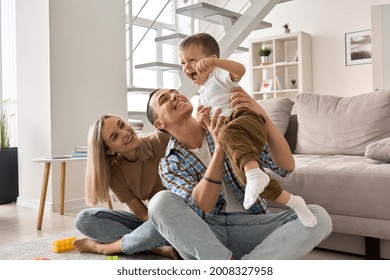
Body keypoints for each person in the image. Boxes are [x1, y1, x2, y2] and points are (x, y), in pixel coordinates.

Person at [146, 87, 332, 259]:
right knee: (159, 202)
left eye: (175, 92)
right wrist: (219, 149)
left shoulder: (227, 126)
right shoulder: (169, 163)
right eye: (164, 99)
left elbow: (285, 166)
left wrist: (263, 116)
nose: (174, 96)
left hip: (253, 226)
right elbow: (202, 207)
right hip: (208, 235)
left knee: (319, 216)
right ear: (159, 124)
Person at [178, 32, 316, 227]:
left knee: (228, 134)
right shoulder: (202, 93)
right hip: (230, 133)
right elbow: (214, 127)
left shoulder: (218, 74)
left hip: (244, 118)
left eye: (191, 60)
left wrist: (215, 63)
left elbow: (239, 70)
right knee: (246, 179)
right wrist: (203, 121)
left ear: (211, 60)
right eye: (182, 63)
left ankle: (254, 174)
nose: (187, 67)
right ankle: (294, 202)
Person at [72, 115, 179, 259]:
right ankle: (157, 249)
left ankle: (105, 248)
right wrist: (154, 230)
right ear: (109, 150)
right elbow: (142, 215)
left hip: (183, 214)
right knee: (84, 219)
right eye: (115, 136)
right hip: (155, 219)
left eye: (122, 125)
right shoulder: (115, 174)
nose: (125, 133)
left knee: (165, 224)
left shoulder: (161, 139)